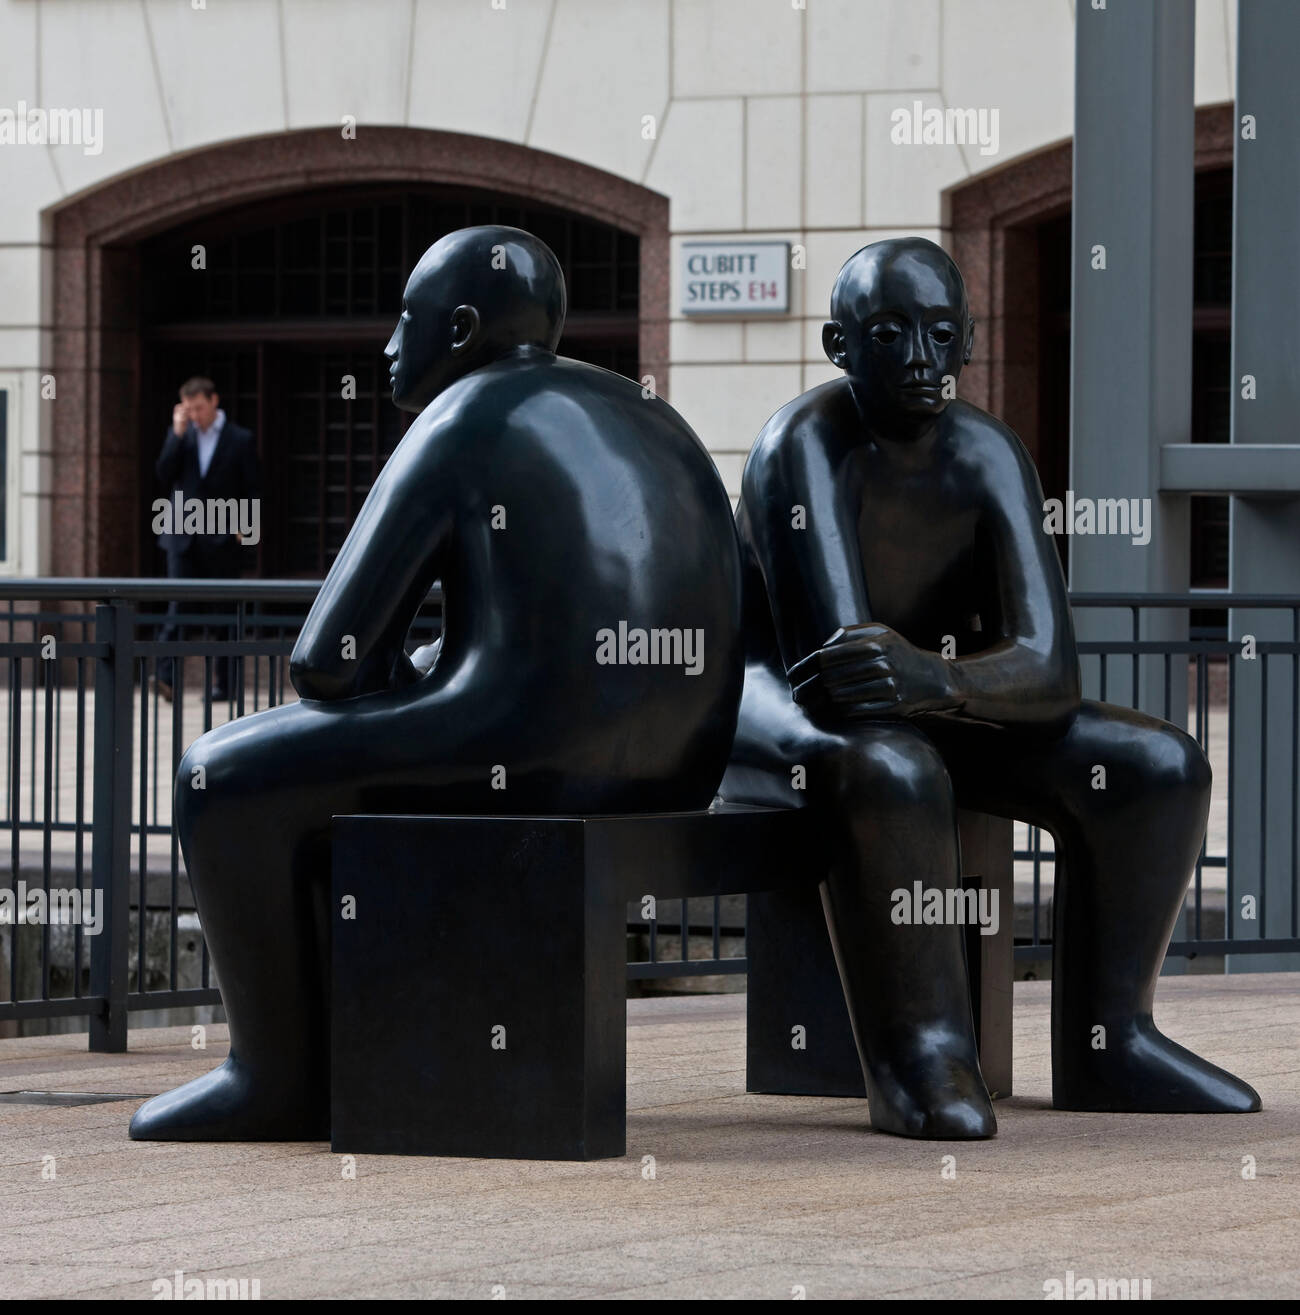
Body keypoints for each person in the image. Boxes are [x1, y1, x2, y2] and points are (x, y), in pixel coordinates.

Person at [129, 226, 743, 1142]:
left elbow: (325, 661)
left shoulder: (463, 417)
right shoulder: (652, 415)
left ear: (459, 328)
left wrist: (397, 678)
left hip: (531, 751)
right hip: (681, 766)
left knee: (218, 777)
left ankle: (275, 1075)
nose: (386, 345)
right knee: (343, 757)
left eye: (404, 320)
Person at [720, 237, 1259, 1139]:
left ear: (969, 341)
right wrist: (954, 682)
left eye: (942, 334)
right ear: (838, 345)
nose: (923, 362)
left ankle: (1111, 1042)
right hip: (778, 705)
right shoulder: (801, 449)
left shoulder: (988, 453)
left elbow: (1050, 672)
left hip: (928, 701)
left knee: (1156, 766)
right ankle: (920, 1053)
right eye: (890, 335)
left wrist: (936, 677)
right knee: (891, 769)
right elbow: (841, 676)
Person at [152, 377, 259, 701]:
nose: (195, 414)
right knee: (177, 604)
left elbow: (252, 486)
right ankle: (166, 676)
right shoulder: (181, 436)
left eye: (199, 407)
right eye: (189, 409)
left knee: (223, 611)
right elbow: (163, 473)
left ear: (214, 400)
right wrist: (177, 432)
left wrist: (247, 528)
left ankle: (223, 685)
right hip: (181, 536)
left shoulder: (239, 439)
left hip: (222, 535)